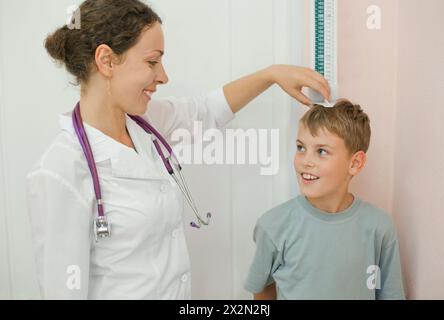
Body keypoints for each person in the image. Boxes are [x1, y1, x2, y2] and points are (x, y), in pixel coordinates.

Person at [26, 0, 330, 299]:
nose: (163, 76)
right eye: (151, 61)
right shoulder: (60, 171)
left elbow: (206, 111)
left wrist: (270, 75)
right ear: (106, 60)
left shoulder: (145, 122)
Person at [244, 100, 405, 299]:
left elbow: (390, 294)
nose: (305, 161)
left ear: (355, 163)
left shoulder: (379, 227)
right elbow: (262, 290)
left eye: (321, 151)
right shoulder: (273, 226)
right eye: (301, 147)